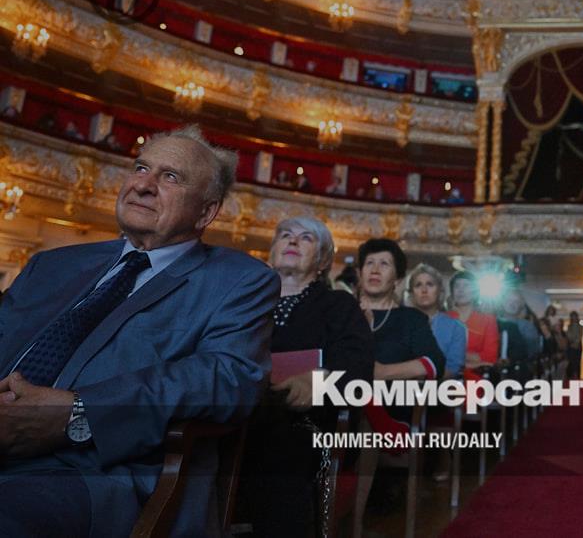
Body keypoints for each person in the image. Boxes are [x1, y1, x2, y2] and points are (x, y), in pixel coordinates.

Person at [0, 125, 277, 537]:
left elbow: (227, 377)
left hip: (96, 473)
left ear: (206, 213)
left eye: (171, 177)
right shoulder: (53, 264)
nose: (143, 185)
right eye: (141, 168)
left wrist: (80, 413)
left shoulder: (238, 280)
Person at [240, 217, 373, 537]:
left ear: (323, 261)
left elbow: (357, 365)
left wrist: (319, 381)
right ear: (272, 252)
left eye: (306, 238)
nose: (293, 241)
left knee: (280, 447)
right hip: (236, 413)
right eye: (285, 235)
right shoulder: (244, 303)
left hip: (304, 423)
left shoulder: (338, 304)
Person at [357, 238, 443, 386]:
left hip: (393, 398)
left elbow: (435, 363)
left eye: (384, 264)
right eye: (369, 263)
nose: (375, 270)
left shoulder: (412, 319)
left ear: (397, 279)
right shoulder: (342, 313)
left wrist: (382, 372)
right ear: (360, 274)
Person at [404, 263, 466, 379]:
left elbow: (453, 368)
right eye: (418, 285)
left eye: (430, 284)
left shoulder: (456, 328)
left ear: (440, 291)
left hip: (441, 387)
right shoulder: (399, 324)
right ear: (411, 293)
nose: (424, 290)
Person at [444, 271, 499, 380]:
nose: (461, 290)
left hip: (476, 380)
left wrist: (454, 357)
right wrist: (473, 360)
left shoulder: (488, 320)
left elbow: (490, 357)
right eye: (457, 286)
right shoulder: (443, 319)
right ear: (452, 292)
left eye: (466, 286)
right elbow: (438, 354)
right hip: (446, 379)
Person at [565, 311, 583, 380]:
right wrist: (572, 340)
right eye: (572, 316)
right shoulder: (569, 326)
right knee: (571, 362)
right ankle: (570, 377)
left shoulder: (581, 327)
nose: (574, 318)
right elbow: (568, 336)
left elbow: (579, 336)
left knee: (578, 363)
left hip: (578, 347)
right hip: (571, 347)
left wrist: (574, 341)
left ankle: (578, 378)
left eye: (575, 316)